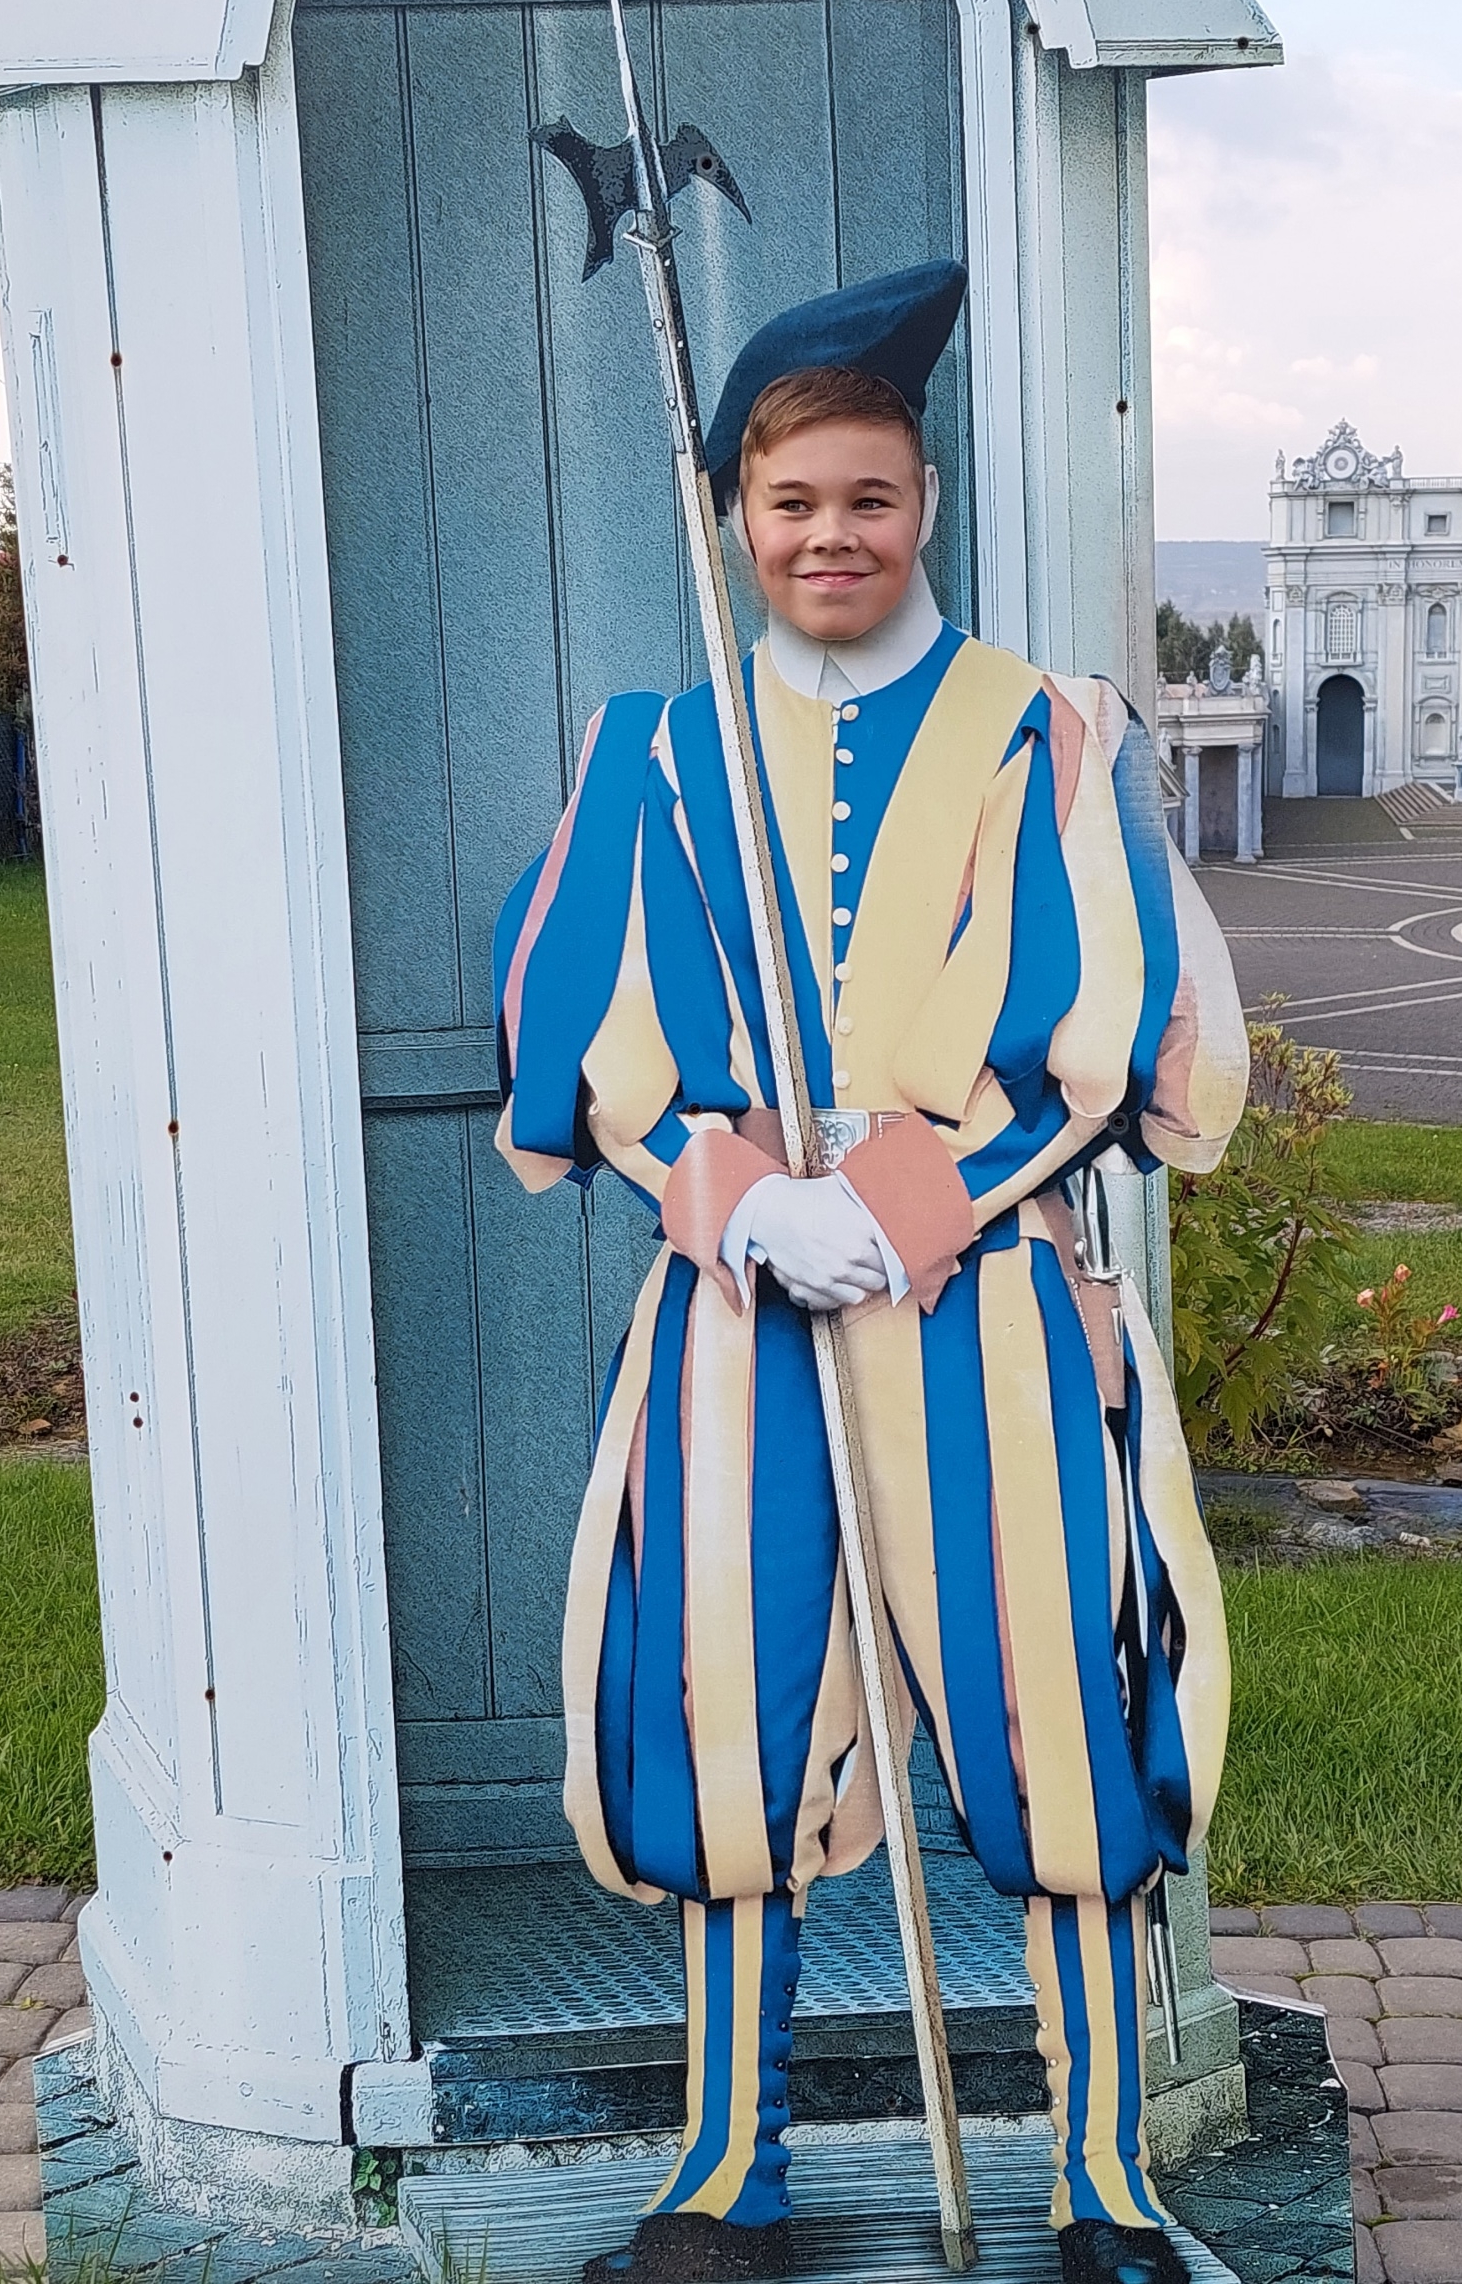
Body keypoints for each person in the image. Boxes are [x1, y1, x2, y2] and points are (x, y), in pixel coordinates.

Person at [493, 262, 1247, 2284]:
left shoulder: (1039, 735)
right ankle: (726, 2165)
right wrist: (742, 1199)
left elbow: (1107, 1026)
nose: (830, 537)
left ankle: (1103, 2173)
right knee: (726, 1708)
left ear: (923, 504)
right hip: (740, 1312)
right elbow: (583, 1033)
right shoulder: (662, 752)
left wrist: (902, 1204)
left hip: (986, 1301)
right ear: (738, 516)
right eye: (792, 502)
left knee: (1053, 1701)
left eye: (869, 498)